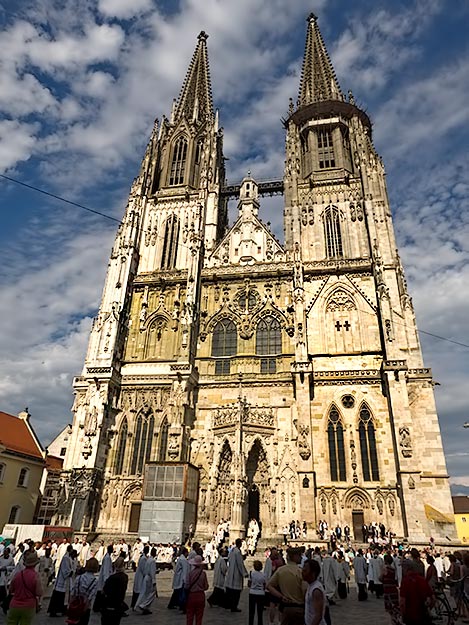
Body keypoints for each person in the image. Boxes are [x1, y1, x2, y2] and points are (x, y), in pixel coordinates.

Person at [266, 547, 305, 625]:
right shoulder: (300, 572)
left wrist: (281, 596)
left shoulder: (281, 570)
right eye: (299, 555)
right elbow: (305, 590)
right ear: (294, 556)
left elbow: (269, 585)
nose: (301, 557)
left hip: (285, 608)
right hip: (298, 607)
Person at [6, 551, 43, 625]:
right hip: (28, 606)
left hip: (15, 604)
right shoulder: (36, 576)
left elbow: (10, 589)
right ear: (35, 564)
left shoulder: (18, 575)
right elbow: (39, 593)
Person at [399, 559, 434, 625]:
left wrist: (403, 614)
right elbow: (433, 598)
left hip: (410, 615)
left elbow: (402, 602)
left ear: (405, 568)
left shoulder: (405, 581)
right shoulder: (422, 579)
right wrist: (428, 609)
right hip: (422, 614)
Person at [67, 557, 99, 625]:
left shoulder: (79, 577)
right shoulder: (95, 581)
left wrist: (70, 604)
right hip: (85, 607)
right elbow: (90, 597)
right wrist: (85, 608)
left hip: (76, 604)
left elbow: (73, 592)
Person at [48, 545, 75, 617]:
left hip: (66, 580)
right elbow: (65, 569)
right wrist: (70, 572)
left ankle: (62, 610)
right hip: (63, 580)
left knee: (64, 596)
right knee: (59, 596)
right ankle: (54, 611)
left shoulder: (69, 557)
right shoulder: (66, 558)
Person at [101, 557, 128, 625]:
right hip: (119, 603)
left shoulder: (112, 578)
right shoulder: (125, 577)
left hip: (110, 604)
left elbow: (105, 590)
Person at [225, 538, 248, 612]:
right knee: (236, 592)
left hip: (231, 571)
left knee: (231, 591)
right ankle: (234, 606)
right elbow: (240, 564)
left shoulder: (232, 551)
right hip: (236, 574)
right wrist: (244, 573)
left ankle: (230, 605)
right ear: (240, 544)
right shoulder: (237, 552)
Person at [184, 555, 208, 625]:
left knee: (189, 616)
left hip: (191, 596)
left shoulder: (190, 574)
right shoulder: (203, 574)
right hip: (200, 596)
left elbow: (186, 586)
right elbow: (206, 586)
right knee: (199, 617)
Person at [302, 559, 326, 625]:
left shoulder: (316, 590)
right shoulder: (310, 586)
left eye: (305, 571)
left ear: (313, 573)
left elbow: (318, 615)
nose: (302, 573)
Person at [135, 547, 157, 615]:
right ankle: (143, 605)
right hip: (149, 578)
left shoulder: (148, 560)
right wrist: (154, 581)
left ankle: (144, 607)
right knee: (152, 593)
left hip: (146, 577)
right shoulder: (152, 561)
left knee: (144, 593)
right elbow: (152, 572)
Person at [382, 554, 400, 625]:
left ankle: (393, 622)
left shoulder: (385, 568)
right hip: (393, 589)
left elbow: (380, 577)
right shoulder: (393, 569)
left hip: (387, 589)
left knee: (390, 609)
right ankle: (395, 620)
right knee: (394, 607)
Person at [131, 545, 149, 610]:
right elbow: (144, 569)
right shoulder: (144, 558)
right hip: (141, 576)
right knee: (139, 591)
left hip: (138, 575)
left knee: (137, 590)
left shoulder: (142, 557)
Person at [248, 560, 266, 625]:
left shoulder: (251, 573)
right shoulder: (264, 575)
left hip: (252, 592)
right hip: (261, 593)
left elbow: (249, 584)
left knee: (251, 611)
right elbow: (264, 585)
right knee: (260, 611)